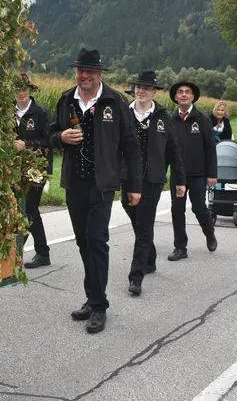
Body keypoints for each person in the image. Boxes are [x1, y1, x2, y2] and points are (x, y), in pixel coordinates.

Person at [49, 49, 142, 334]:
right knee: (82, 242)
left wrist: (134, 186)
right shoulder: (66, 100)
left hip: (103, 184)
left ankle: (99, 307)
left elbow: (131, 146)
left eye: (89, 71)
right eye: (80, 70)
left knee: (97, 241)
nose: (84, 76)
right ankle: (93, 297)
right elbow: (49, 135)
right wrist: (61, 138)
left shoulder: (115, 101)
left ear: (99, 74)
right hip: (74, 183)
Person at [122, 71, 185, 296]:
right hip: (128, 178)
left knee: (144, 225)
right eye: (139, 87)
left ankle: (136, 277)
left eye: (147, 88)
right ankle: (150, 257)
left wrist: (180, 180)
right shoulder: (124, 113)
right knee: (135, 218)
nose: (142, 91)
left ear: (154, 92)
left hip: (152, 180)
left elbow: (174, 150)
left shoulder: (162, 116)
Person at [168, 81, 217, 261]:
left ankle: (209, 233)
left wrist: (212, 173)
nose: (183, 95)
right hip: (177, 175)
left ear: (193, 97)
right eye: (180, 92)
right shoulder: (170, 119)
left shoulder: (202, 119)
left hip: (198, 173)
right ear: (175, 97)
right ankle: (180, 247)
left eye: (187, 92)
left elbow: (211, 148)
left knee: (198, 208)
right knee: (177, 210)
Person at [13, 73, 53, 269]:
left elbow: (49, 141)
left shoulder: (41, 112)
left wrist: (26, 145)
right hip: (13, 169)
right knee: (27, 210)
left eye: (24, 88)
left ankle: (15, 254)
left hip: (37, 169)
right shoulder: (6, 113)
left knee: (28, 210)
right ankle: (43, 252)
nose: (21, 92)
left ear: (30, 90)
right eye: (17, 88)